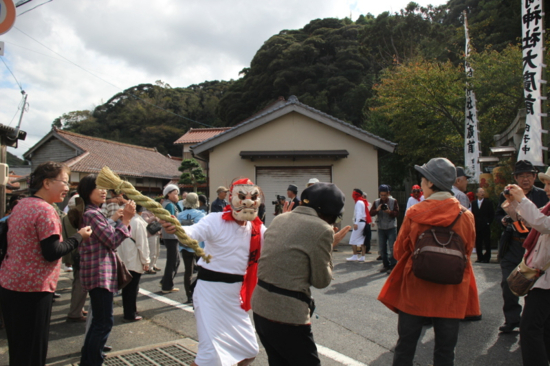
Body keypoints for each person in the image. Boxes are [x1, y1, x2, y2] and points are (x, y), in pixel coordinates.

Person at [378, 157, 480, 366]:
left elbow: (398, 251)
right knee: (445, 350)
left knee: (406, 346)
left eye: (423, 181)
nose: (421, 185)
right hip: (451, 291)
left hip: (415, 289)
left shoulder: (415, 213)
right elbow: (467, 251)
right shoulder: (466, 215)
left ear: (431, 183)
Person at [164, 177, 266, 366]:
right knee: (210, 357)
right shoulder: (214, 220)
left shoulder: (258, 228)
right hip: (210, 293)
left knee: (248, 350)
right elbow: (191, 234)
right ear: (230, 197)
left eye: (253, 197)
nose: (248, 202)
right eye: (242, 196)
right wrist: (177, 229)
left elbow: (278, 245)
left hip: (236, 297)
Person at [0, 161, 92, 366]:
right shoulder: (46, 210)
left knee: (18, 348)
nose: (68, 187)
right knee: (33, 350)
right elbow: (52, 252)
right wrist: (78, 237)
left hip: (9, 284)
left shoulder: (21, 205)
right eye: (65, 181)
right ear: (47, 183)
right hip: (34, 289)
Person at [251, 182, 351, 364]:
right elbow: (321, 280)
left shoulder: (281, 218)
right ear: (329, 213)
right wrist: (329, 248)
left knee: (278, 361)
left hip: (260, 307)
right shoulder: (322, 229)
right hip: (287, 315)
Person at [78, 174, 135, 366]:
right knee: (103, 322)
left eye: (104, 188)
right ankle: (93, 361)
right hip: (99, 273)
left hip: (98, 273)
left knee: (99, 322)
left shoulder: (93, 212)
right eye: (98, 187)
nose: (103, 191)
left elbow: (109, 236)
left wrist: (122, 221)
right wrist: (126, 219)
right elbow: (112, 240)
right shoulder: (92, 214)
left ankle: (88, 359)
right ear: (87, 191)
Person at [495, 160, 549, 333]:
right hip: (514, 244)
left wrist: (521, 201)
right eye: (521, 176)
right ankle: (513, 319)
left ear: (534, 177)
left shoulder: (542, 195)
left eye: (529, 175)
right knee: (508, 283)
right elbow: (500, 215)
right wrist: (507, 216)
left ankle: (532, 321)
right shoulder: (507, 194)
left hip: (537, 250)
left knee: (534, 288)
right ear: (516, 178)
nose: (525, 179)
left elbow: (540, 222)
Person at [505, 170, 550, 366]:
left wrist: (521, 200)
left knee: (530, 329)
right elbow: (534, 220)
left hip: (546, 281)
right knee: (544, 328)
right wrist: (515, 203)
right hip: (543, 278)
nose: (546, 189)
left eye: (549, 184)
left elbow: (541, 223)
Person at [118, 205, 150, 322]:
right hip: (134, 259)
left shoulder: (121, 221)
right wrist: (146, 261)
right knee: (132, 288)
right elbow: (142, 244)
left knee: (126, 288)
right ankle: (130, 313)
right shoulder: (137, 222)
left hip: (122, 258)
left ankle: (129, 311)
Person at [176, 193, 206, 304]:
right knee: (202, 271)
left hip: (184, 246)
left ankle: (189, 296)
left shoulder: (180, 215)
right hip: (198, 246)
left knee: (188, 272)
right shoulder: (202, 215)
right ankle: (197, 291)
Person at [65, 194, 89, 323]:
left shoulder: (68, 217)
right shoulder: (75, 218)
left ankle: (78, 308)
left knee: (78, 283)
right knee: (80, 284)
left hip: (74, 254)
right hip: (79, 254)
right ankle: (75, 312)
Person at [370, 184, 399, 274]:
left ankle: (393, 266)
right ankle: (385, 265)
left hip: (391, 227)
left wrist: (389, 211)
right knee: (382, 248)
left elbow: (397, 213)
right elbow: (370, 213)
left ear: (388, 193)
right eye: (381, 195)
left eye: (384, 195)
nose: (383, 197)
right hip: (381, 227)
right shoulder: (376, 202)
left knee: (392, 247)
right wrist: (377, 210)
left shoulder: (393, 201)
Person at [160, 184, 182, 293]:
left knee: (174, 260)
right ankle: (167, 286)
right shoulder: (170, 205)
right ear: (168, 194)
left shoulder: (167, 204)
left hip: (168, 235)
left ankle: (164, 281)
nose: (177, 195)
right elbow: (173, 220)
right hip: (171, 235)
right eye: (175, 193)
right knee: (173, 260)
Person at [347, 188, 372, 262]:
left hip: (360, 222)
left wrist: (356, 223)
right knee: (361, 240)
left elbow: (359, 214)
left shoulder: (358, 202)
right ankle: (363, 256)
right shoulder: (362, 202)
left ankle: (355, 255)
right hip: (363, 222)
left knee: (352, 240)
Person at [471, 187, 495, 263]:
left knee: (487, 241)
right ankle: (480, 257)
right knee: (478, 242)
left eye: (483, 192)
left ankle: (487, 257)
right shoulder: (474, 203)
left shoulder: (488, 202)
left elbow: (492, 214)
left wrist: (488, 222)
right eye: (480, 192)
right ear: (477, 194)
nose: (482, 193)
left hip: (485, 225)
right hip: (477, 225)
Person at [141, 208, 161, 274]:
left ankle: (154, 264)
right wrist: (153, 218)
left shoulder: (155, 213)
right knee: (152, 251)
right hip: (150, 234)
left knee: (157, 251)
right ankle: (150, 267)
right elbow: (146, 222)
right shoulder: (144, 213)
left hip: (156, 233)